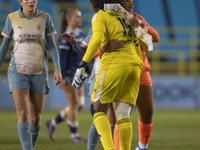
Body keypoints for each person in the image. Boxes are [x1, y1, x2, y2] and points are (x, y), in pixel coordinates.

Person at [72, 0, 144, 149]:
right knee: (123, 114)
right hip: (134, 67)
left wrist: (82, 65)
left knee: (97, 110)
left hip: (113, 66)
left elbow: (97, 39)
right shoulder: (126, 16)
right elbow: (147, 42)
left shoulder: (101, 15)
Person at [0, 0, 62, 150]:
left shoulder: (45, 17)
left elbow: (52, 46)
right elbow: (4, 46)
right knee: (23, 114)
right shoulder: (12, 18)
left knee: (35, 118)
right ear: (20, 1)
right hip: (17, 71)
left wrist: (58, 69)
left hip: (39, 71)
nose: (32, 1)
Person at [46, 8, 87, 143]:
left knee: (79, 105)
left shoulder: (80, 34)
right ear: (69, 19)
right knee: (74, 105)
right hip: (69, 75)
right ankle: (74, 136)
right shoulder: (66, 36)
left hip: (79, 74)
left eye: (80, 17)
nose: (79, 19)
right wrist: (62, 75)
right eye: (77, 17)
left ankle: (53, 122)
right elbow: (62, 57)